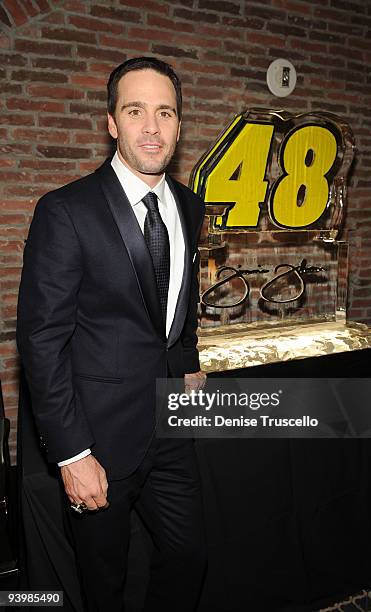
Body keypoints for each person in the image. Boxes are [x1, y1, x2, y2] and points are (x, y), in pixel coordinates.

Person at [17, 57, 207, 611]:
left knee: (188, 556)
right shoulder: (65, 210)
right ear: (111, 123)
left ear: (179, 124)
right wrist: (73, 453)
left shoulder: (190, 208)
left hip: (171, 426)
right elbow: (42, 338)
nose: (152, 126)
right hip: (97, 436)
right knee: (105, 583)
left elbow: (181, 299)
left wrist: (188, 357)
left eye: (165, 112)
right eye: (136, 110)